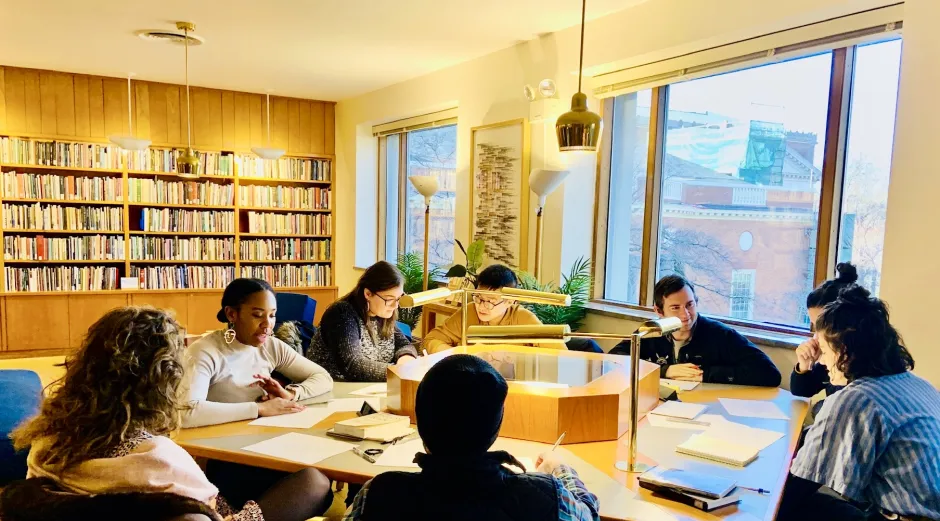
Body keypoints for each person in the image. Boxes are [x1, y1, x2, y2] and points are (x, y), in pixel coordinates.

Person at [10, 306, 333, 521]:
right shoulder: (157, 458)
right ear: (162, 384)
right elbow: (206, 510)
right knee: (314, 483)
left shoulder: (48, 441)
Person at [343, 354, 600, 521]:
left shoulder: (378, 492)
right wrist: (561, 470)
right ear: (495, 426)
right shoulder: (546, 494)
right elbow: (589, 515)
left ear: (421, 422)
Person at [779, 291, 940, 521]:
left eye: (824, 352)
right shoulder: (917, 384)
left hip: (901, 516)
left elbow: (805, 480)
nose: (822, 362)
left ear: (845, 352)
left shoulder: (857, 398)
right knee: (818, 504)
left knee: (790, 508)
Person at [182, 278, 333, 428]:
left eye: (272, 315)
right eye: (257, 315)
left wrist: (291, 394)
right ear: (231, 314)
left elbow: (323, 377)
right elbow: (186, 413)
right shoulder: (204, 351)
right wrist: (259, 409)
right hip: (213, 441)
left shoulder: (271, 346)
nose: (267, 325)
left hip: (258, 435)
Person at [609, 275, 781, 387]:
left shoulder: (720, 335)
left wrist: (705, 374)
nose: (685, 315)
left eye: (690, 305)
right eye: (675, 308)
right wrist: (664, 371)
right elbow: (612, 361)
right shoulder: (650, 332)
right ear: (659, 311)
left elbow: (769, 374)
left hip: (709, 412)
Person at [308, 261, 418, 381]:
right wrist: (398, 371)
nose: (395, 306)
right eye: (389, 299)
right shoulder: (342, 314)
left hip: (366, 389)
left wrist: (406, 358)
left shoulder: (382, 314)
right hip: (331, 389)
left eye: (399, 298)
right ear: (368, 294)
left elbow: (404, 344)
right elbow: (352, 366)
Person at [791, 263, 869, 415]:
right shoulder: (827, 356)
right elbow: (802, 390)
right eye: (814, 326)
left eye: (822, 326)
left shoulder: (856, 364)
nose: (817, 336)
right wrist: (804, 365)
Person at [423, 264, 555, 353]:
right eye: (479, 298)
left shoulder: (523, 319)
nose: (482, 306)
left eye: (490, 301)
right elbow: (431, 340)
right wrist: (457, 355)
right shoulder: (470, 311)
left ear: (510, 301)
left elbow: (559, 354)